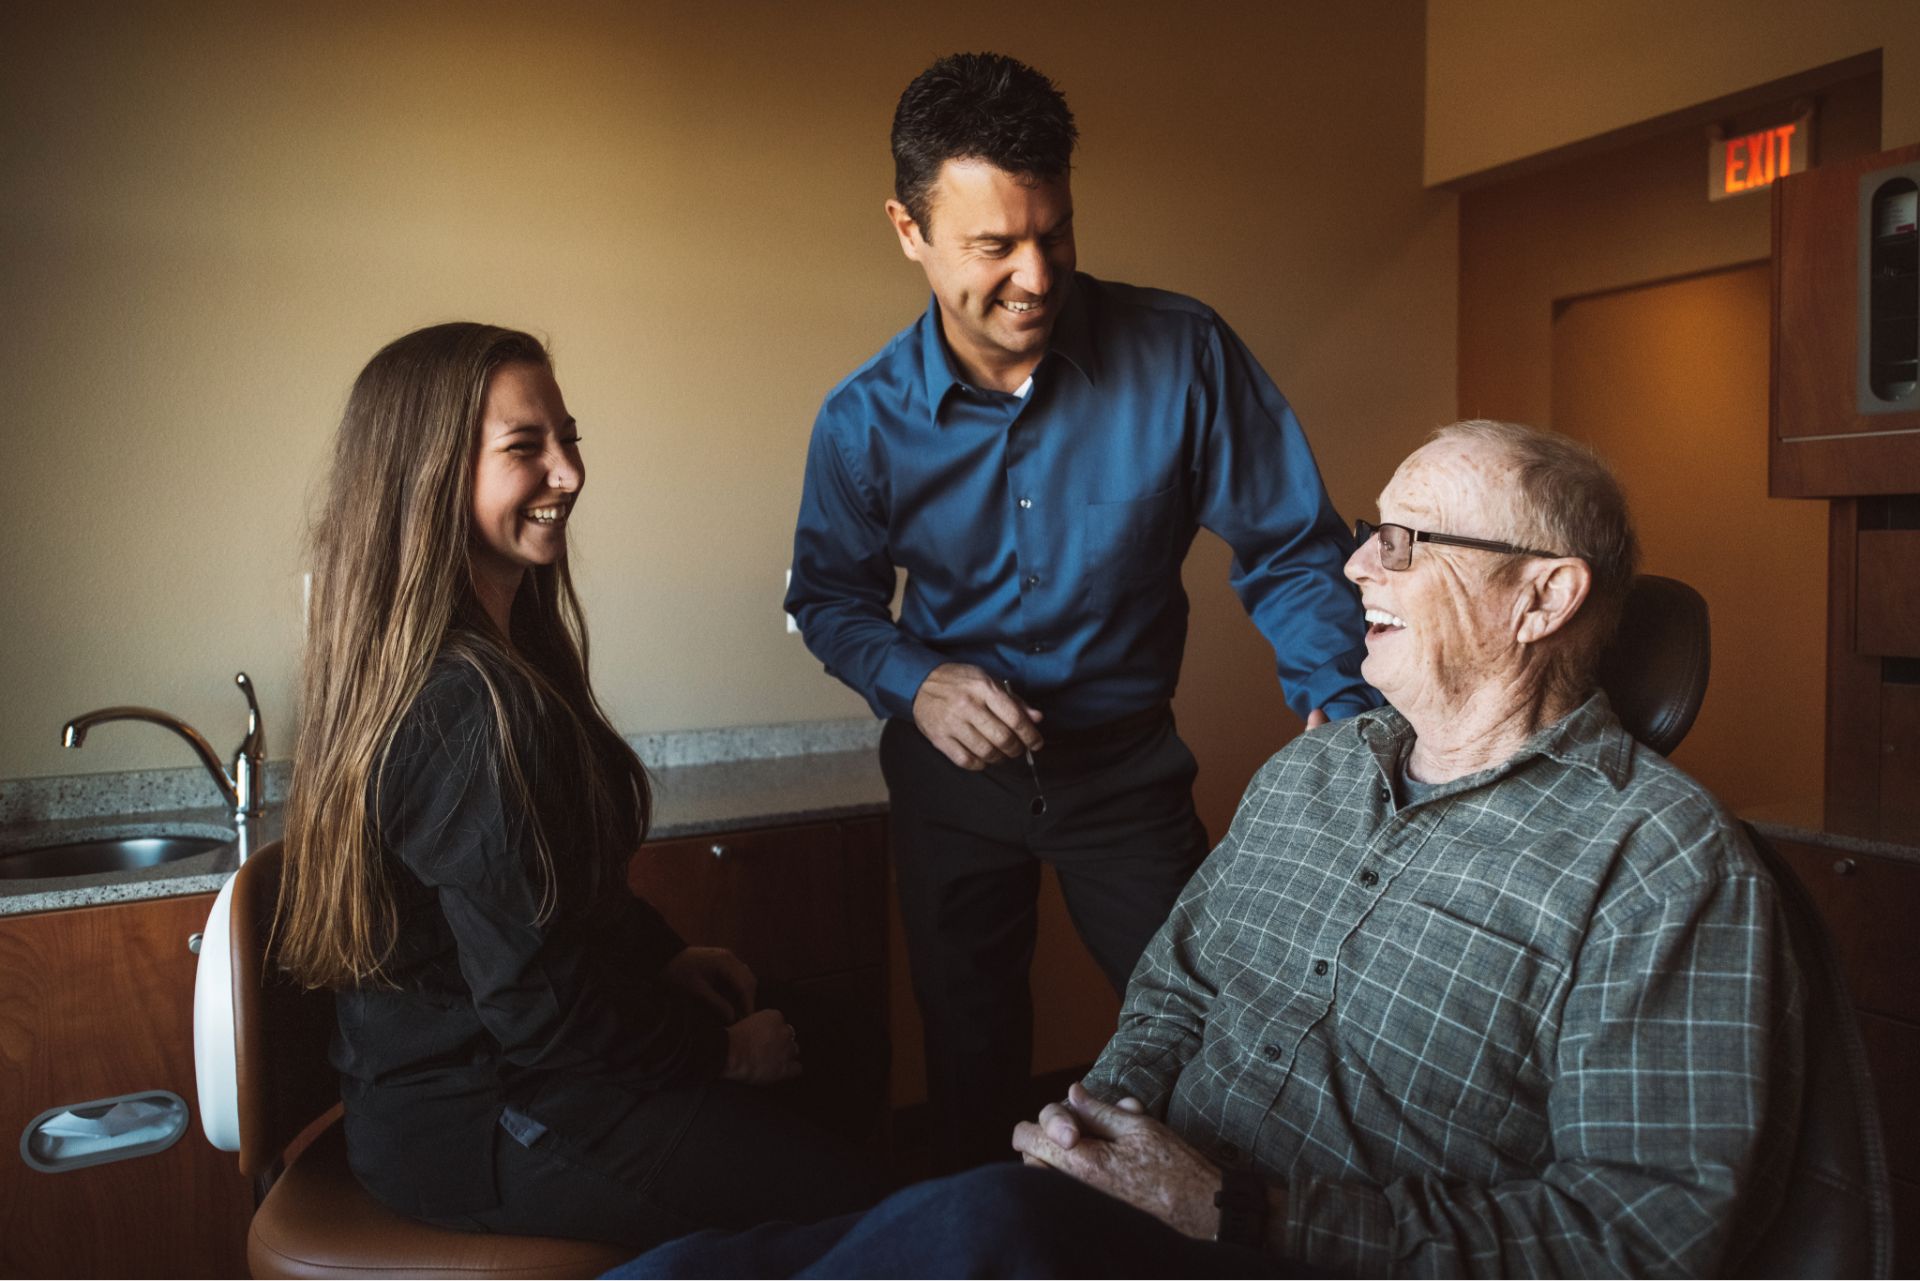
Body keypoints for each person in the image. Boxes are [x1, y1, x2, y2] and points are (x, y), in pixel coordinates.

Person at [631, 420, 1804, 1277]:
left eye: (1405, 542)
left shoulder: (1658, 863)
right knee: (704, 1265)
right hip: (1124, 1221)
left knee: (973, 1235)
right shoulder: (1314, 772)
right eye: (1365, 534)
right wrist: (1100, 1133)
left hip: (1303, 1256)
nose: (1355, 568)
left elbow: (1641, 1237)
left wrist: (1244, 1213)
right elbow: (1176, 994)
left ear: (1541, 599)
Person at [783, 51, 1377, 1171]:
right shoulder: (858, 423)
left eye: (1053, 232)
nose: (1036, 274)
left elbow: (1294, 547)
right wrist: (917, 681)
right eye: (993, 245)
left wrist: (1340, 704)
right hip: (952, 789)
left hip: (1129, 779)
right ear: (909, 230)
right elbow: (830, 600)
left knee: (1216, 1045)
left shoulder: (1186, 353)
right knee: (968, 1058)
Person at [274, 323, 882, 1250]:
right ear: (432, 477)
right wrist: (718, 1052)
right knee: (850, 1198)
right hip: (482, 1121)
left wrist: (663, 958)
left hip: (527, 1069)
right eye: (526, 448)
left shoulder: (512, 657)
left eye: (569, 437)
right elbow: (541, 1012)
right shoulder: (463, 713)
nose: (569, 472)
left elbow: (555, 899)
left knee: (832, 1035)